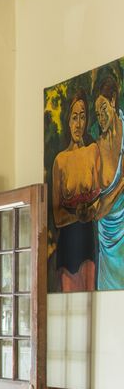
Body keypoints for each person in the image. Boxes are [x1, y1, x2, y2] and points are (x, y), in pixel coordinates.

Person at [50, 92, 99, 291]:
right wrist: (79, 215)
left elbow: (98, 199)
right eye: (74, 117)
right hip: (67, 247)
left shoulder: (92, 151)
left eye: (82, 116)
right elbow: (57, 217)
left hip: (88, 243)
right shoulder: (60, 161)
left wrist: (90, 211)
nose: (78, 124)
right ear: (68, 121)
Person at [87, 73, 124, 289]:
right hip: (105, 237)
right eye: (97, 113)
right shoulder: (97, 146)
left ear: (113, 101)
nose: (101, 117)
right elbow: (98, 211)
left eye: (104, 110)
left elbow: (101, 207)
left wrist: (102, 206)